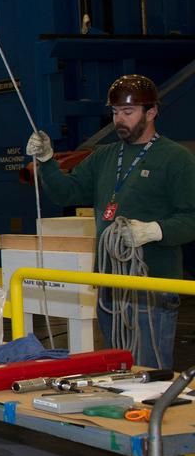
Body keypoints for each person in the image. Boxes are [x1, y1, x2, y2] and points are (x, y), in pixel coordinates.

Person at [28, 74, 195, 369]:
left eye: (127, 112)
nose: (119, 119)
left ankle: (152, 414)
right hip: (109, 283)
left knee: (149, 368)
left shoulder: (176, 159)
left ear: (151, 112)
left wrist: (155, 231)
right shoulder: (104, 156)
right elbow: (66, 193)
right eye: (115, 112)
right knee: (118, 367)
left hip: (152, 285)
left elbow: (191, 218)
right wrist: (47, 160)